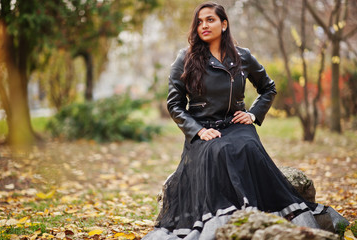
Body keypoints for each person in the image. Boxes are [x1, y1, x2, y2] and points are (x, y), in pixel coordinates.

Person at [143, 2, 348, 239]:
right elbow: (174, 105)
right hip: (203, 129)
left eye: (210, 19)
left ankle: (256, 217)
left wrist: (252, 114)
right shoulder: (185, 58)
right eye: (199, 22)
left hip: (237, 124)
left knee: (248, 147)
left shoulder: (243, 56)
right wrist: (197, 131)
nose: (204, 25)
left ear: (224, 23)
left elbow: (268, 88)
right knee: (218, 151)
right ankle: (225, 222)